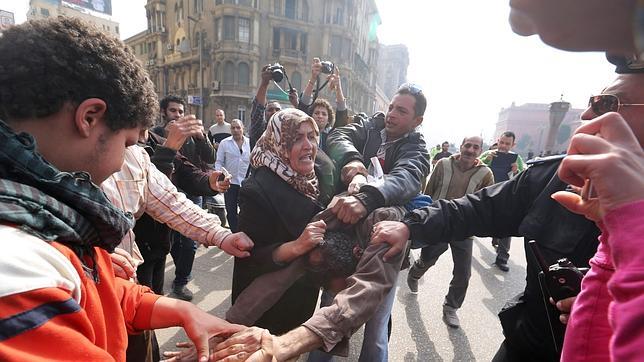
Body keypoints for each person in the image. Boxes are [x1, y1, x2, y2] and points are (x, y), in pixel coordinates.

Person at [0, 17, 243, 362]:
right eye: (127, 142)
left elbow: (100, 290)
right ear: (89, 118)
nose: (122, 161)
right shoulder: (18, 272)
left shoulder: (54, 218)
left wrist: (177, 309)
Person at [309, 83, 430, 362]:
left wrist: (368, 197)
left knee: (376, 328)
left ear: (417, 120)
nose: (391, 114)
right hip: (346, 240)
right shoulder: (369, 126)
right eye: (391, 107)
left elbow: (407, 177)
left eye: (401, 111)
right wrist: (354, 164)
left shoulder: (417, 150)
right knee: (330, 310)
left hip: (383, 247)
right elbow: (338, 135)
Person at [231, 108, 328, 335]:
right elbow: (251, 256)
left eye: (311, 136)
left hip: (302, 296)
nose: (308, 145)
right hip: (265, 307)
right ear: (279, 143)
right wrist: (296, 247)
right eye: (296, 138)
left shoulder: (319, 177)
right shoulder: (256, 190)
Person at [407, 136, 494, 328]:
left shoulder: (485, 173)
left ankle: (451, 307)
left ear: (480, 151)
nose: (470, 150)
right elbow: (428, 193)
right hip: (438, 223)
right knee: (428, 259)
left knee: (463, 273)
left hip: (464, 229)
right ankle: (415, 273)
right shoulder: (443, 164)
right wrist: (421, 217)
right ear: (461, 147)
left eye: (475, 147)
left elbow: (486, 203)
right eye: (468, 145)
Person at [152, 95, 216, 301]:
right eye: (173, 111)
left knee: (189, 243)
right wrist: (169, 141)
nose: (177, 115)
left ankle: (181, 281)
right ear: (163, 113)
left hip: (192, 191)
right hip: (165, 196)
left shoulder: (192, 135)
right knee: (171, 243)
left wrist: (200, 137)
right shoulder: (155, 136)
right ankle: (178, 273)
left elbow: (210, 158)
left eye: (181, 111)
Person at [479, 130, 526, 271]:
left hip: (505, 196)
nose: (504, 146)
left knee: (507, 226)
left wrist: (516, 171)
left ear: (513, 145)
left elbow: (522, 178)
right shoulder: (487, 155)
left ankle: (502, 258)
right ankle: (491, 234)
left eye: (507, 144)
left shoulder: (516, 159)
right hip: (486, 194)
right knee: (481, 221)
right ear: (498, 141)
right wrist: (486, 160)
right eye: (502, 142)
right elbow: (475, 167)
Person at [299, 57, 349, 152]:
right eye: (316, 113)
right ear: (310, 116)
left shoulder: (331, 138)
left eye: (324, 114)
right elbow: (303, 104)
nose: (320, 116)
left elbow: (342, 115)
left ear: (328, 120)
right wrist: (313, 78)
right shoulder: (301, 133)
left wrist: (338, 87)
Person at [215, 119, 250, 232]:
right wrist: (221, 176)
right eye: (233, 128)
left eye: (238, 127)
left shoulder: (250, 143)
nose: (235, 130)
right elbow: (219, 162)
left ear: (242, 129)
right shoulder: (225, 143)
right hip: (230, 183)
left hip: (247, 183)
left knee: (247, 211)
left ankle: (245, 233)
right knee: (231, 211)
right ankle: (235, 234)